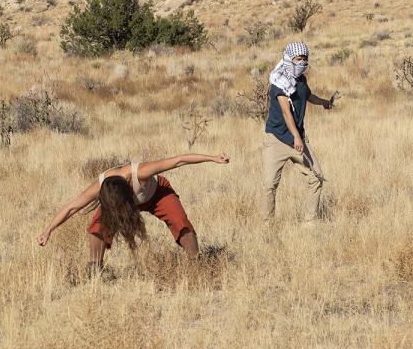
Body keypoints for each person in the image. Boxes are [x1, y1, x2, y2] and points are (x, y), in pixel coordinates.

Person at [37, 154, 230, 272]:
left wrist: (213, 158)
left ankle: (196, 264)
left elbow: (179, 160)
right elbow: (72, 207)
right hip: (122, 200)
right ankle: (94, 269)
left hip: (156, 194)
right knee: (97, 226)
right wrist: (48, 230)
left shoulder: (141, 173)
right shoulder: (103, 186)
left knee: (180, 221)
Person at [262, 41, 334, 223]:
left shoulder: (301, 80)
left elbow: (308, 96)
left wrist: (324, 102)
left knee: (316, 177)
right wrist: (296, 137)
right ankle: (267, 226)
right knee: (270, 185)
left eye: (304, 59)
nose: (301, 63)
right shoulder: (279, 83)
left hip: (298, 139)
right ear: (288, 58)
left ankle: (310, 223)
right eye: (298, 59)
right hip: (277, 139)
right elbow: (286, 112)